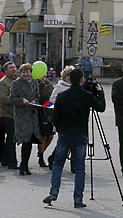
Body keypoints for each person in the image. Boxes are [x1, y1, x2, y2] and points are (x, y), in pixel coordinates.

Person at [43, 67, 105, 209]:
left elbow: (55, 116)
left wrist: (60, 129)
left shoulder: (62, 95)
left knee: (58, 164)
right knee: (79, 167)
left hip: (65, 132)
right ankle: (78, 198)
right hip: (81, 133)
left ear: (70, 79)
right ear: (82, 80)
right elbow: (101, 107)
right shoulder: (87, 96)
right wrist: (100, 92)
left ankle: (53, 192)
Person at [10, 62, 42, 176]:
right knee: (25, 140)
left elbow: (38, 96)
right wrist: (22, 101)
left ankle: (25, 165)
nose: (25, 74)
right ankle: (23, 165)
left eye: (27, 72)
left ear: (31, 73)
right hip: (22, 116)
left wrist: (35, 101)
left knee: (30, 141)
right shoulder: (16, 83)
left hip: (32, 116)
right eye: (23, 72)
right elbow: (12, 99)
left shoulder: (34, 83)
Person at [0, 61, 17, 169]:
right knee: (11, 137)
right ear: (5, 70)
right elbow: (2, 98)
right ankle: (12, 162)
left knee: (11, 137)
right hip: (6, 113)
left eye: (14, 67)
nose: (14, 69)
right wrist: (17, 100)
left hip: (15, 113)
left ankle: (4, 160)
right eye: (11, 68)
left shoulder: (17, 80)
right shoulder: (3, 83)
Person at [37, 75, 55, 168]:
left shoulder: (49, 84)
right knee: (43, 136)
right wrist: (40, 85)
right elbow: (37, 96)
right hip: (41, 112)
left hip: (50, 112)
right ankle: (41, 157)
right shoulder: (36, 84)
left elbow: (53, 96)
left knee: (50, 136)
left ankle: (41, 151)